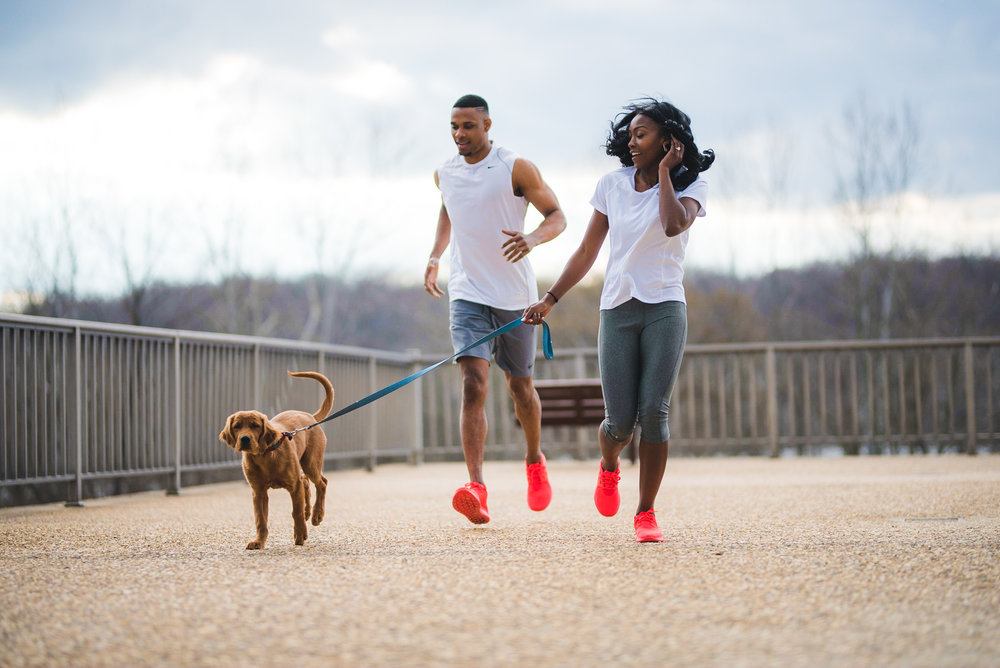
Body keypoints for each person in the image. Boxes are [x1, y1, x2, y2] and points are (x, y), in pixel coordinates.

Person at [522, 98, 714, 542]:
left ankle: (645, 513)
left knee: (655, 412)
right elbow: (588, 250)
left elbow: (671, 225)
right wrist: (550, 299)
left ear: (668, 141)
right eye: (628, 134)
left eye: (640, 134)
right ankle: (609, 466)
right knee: (620, 423)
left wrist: (666, 173)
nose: (631, 142)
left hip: (666, 305)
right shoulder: (612, 184)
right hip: (618, 309)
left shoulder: (693, 186)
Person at [424, 94, 567, 524]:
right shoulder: (444, 173)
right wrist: (435, 257)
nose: (459, 134)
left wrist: (533, 239)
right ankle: (477, 487)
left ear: (487, 125)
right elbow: (449, 210)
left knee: (520, 387)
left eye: (468, 126)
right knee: (472, 383)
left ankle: (533, 459)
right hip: (466, 292)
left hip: (515, 298)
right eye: (453, 126)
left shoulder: (514, 167)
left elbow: (557, 215)